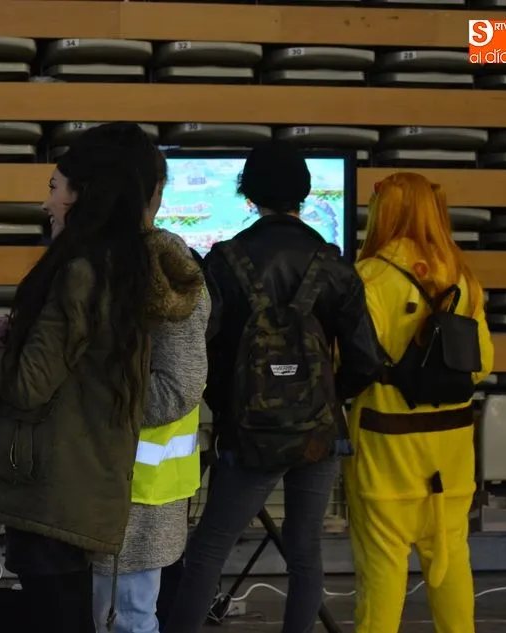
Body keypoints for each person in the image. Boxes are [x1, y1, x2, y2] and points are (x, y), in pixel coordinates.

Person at [0, 122, 157, 633]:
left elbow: (28, 384)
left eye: (54, 188)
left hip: (53, 487)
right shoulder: (121, 264)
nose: (47, 203)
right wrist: (11, 332)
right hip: (78, 480)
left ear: (84, 194)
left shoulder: (81, 270)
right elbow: (77, 361)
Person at [164, 140, 383, 633]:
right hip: (319, 434)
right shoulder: (334, 263)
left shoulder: (224, 260)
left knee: (209, 549)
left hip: (249, 434)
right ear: (304, 192)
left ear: (248, 191)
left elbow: (200, 348)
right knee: (305, 550)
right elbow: (366, 361)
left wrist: (230, 404)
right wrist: (322, 396)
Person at [345, 172, 494, 633]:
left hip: (385, 450)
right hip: (452, 454)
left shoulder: (367, 278)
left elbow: (347, 364)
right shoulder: (462, 276)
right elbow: (483, 364)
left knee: (382, 571)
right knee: (451, 560)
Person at [92, 148, 210, 633]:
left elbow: (177, 388)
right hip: (110, 480)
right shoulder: (100, 260)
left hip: (139, 487)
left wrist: (86, 397)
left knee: (128, 617)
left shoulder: (159, 266)